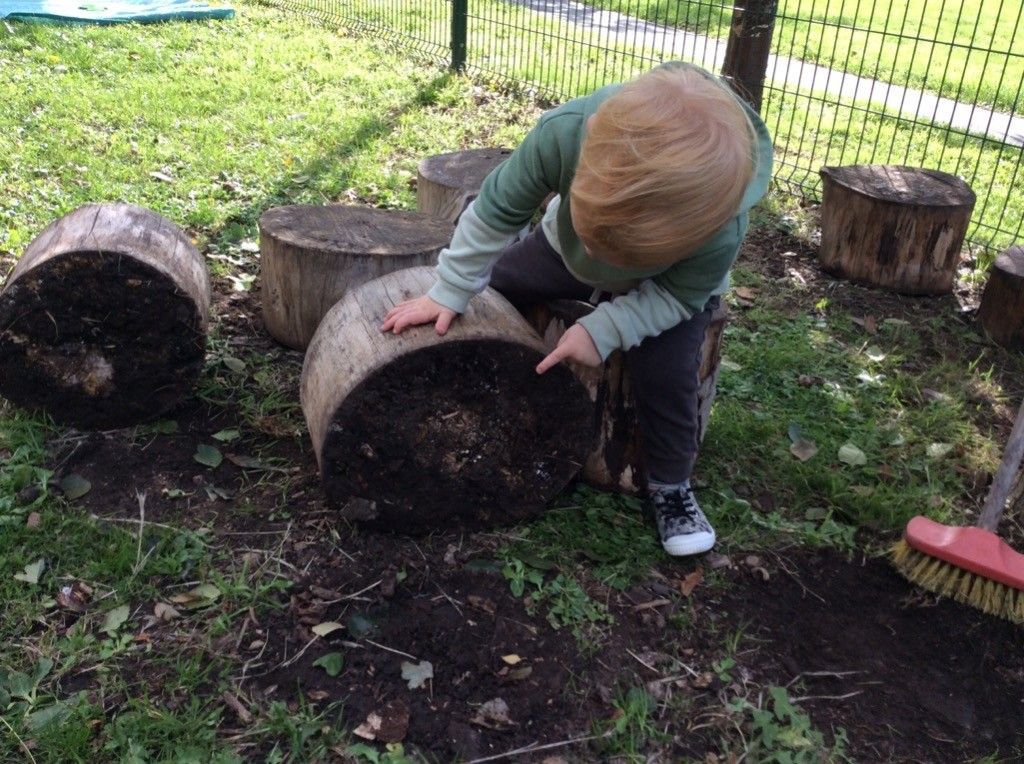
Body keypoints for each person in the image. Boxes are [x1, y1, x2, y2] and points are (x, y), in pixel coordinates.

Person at [381, 61, 773, 556]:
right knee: (499, 287)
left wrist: (610, 325)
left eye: (621, 256)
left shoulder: (721, 223)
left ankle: (672, 486)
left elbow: (678, 297)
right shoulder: (563, 133)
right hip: (565, 244)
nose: (608, 268)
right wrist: (450, 289)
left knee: (667, 372)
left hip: (668, 288)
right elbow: (496, 210)